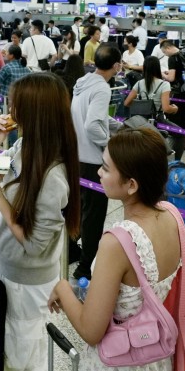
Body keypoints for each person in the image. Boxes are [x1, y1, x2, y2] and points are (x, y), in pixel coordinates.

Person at [47, 126, 185, 371]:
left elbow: (91, 330)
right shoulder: (172, 215)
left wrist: (63, 288)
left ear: (131, 185)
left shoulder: (117, 242)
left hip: (119, 369)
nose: (99, 172)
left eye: (106, 168)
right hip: (156, 360)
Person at [0, 73, 81, 371]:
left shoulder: (53, 177)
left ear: (35, 113)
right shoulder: (25, 146)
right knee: (8, 351)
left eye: (15, 105)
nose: (10, 110)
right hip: (10, 267)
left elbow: (34, 244)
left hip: (27, 278)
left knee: (25, 360)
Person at [71, 44, 123, 283]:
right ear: (116, 66)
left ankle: (71, 250)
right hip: (93, 163)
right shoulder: (102, 88)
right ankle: (84, 269)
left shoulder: (84, 82)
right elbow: (92, 124)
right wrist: (108, 142)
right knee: (94, 218)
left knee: (79, 209)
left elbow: (94, 116)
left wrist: (117, 125)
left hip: (77, 158)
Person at [159, 40, 185, 160]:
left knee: (175, 117)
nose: (165, 54)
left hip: (178, 93)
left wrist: (163, 74)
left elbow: (171, 78)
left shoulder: (172, 58)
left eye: (164, 52)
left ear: (167, 48)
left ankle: (177, 143)